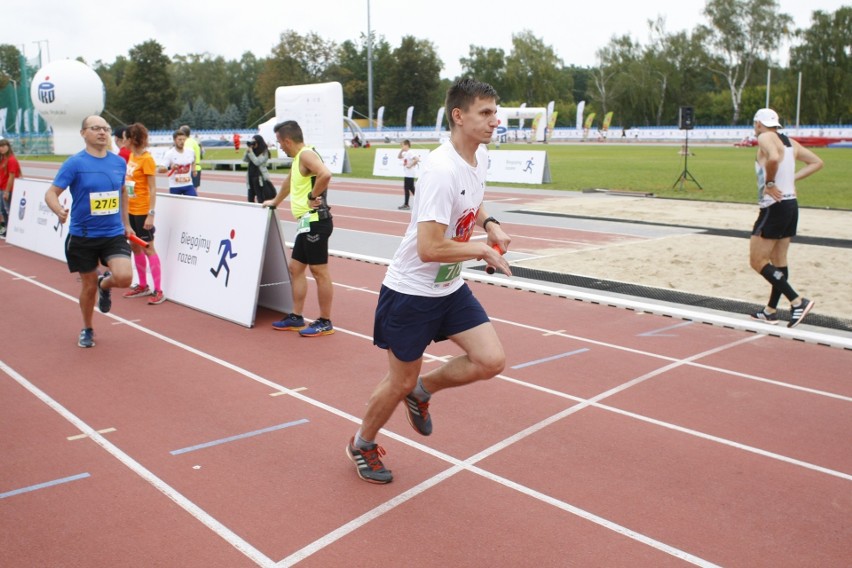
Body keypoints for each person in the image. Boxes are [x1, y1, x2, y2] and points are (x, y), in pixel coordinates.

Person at [346, 78, 512, 484]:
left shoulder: (479, 157)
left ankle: (423, 391)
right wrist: (481, 250)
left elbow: (472, 197)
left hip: (449, 287)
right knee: (397, 381)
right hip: (412, 293)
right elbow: (429, 248)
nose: (496, 121)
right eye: (485, 113)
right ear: (459, 116)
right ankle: (362, 443)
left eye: (495, 111)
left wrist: (488, 223)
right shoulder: (439, 170)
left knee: (491, 360)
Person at [44, 116, 133, 348]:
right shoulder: (75, 163)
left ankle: (107, 285)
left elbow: (123, 192)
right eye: (95, 128)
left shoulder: (119, 163)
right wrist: (58, 210)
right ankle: (87, 328)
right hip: (83, 235)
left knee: (124, 278)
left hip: (113, 233)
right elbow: (51, 193)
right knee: (88, 285)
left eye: (105, 129)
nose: (102, 133)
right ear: (83, 133)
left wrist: (127, 224)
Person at [749, 108, 823, 328]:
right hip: (790, 204)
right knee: (779, 261)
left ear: (758, 124)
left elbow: (772, 158)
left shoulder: (764, 137)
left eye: (755, 125)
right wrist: (791, 179)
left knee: (757, 261)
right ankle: (770, 311)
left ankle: (797, 301)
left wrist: (771, 184)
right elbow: (817, 162)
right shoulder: (790, 142)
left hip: (774, 206)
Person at [263, 120, 335, 337]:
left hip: (316, 222)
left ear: (287, 140)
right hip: (306, 223)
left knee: (319, 271)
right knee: (296, 268)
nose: (279, 147)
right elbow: (288, 182)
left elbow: (325, 174)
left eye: (279, 142)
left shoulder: (305, 155)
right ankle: (296, 316)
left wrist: (313, 196)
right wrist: (275, 200)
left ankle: (325, 320)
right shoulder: (298, 160)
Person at [123, 123, 166, 305]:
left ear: (133, 139)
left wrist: (151, 214)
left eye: (125, 137)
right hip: (130, 209)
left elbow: (153, 188)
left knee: (148, 248)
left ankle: (158, 290)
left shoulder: (147, 159)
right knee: (134, 247)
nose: (122, 140)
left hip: (142, 210)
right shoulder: (132, 155)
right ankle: (142, 285)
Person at [159, 130, 197, 196]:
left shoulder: (190, 152)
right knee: (175, 206)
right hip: (175, 186)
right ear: (174, 140)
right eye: (179, 139)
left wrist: (194, 170)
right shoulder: (169, 154)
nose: (182, 141)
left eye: (183, 139)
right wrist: (170, 167)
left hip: (188, 185)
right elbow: (160, 170)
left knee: (193, 203)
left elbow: (193, 160)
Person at [244, 134, 276, 203]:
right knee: (250, 198)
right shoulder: (252, 150)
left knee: (260, 197)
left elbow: (257, 162)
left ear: (259, 142)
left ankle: (262, 212)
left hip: (259, 177)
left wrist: (251, 152)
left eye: (254, 142)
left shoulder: (265, 152)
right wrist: (247, 151)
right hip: (250, 175)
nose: (253, 143)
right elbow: (245, 160)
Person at [0, 138, 22, 238]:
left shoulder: (11, 160)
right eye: (0, 147)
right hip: (2, 188)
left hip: (8, 189)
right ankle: (7, 228)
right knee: (3, 210)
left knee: (9, 210)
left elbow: (11, 176)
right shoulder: (2, 159)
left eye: (4, 146)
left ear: (8, 147)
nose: (2, 149)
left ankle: (12, 230)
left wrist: (7, 191)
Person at [397, 139, 419, 210]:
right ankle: (421, 201)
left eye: (402, 145)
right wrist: (401, 150)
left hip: (410, 174)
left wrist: (411, 165)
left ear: (406, 145)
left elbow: (416, 159)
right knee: (411, 189)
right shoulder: (405, 153)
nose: (401, 146)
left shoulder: (410, 152)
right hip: (407, 174)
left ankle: (406, 204)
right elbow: (399, 156)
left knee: (408, 189)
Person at [180, 125, 202, 191]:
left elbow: (189, 157)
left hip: (190, 169)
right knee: (193, 191)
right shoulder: (193, 141)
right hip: (196, 168)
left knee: (189, 192)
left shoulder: (187, 142)